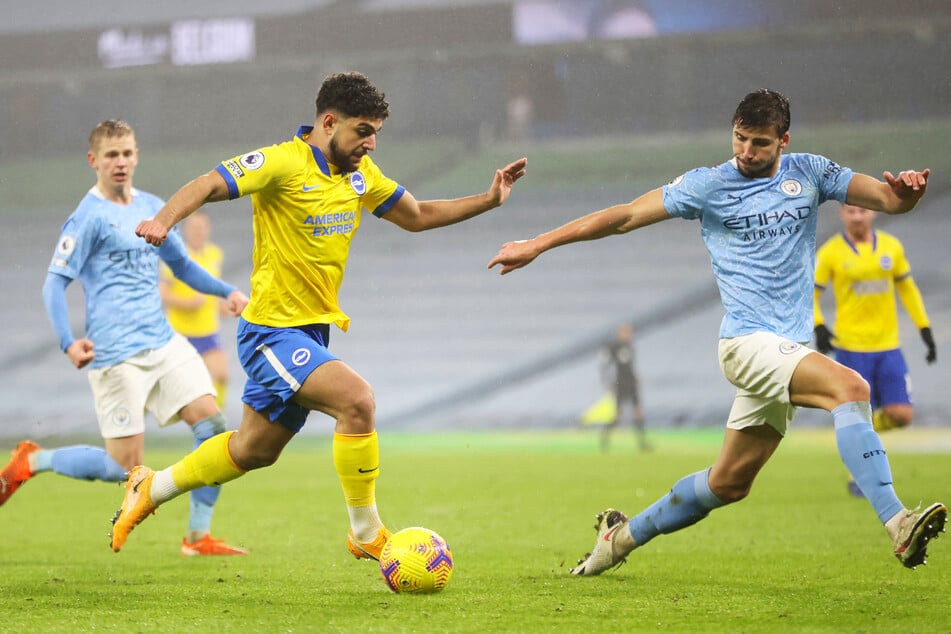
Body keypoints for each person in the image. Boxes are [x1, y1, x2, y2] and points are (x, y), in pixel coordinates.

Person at [488, 89, 945, 573]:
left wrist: (907, 194)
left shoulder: (811, 172)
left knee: (729, 484)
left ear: (784, 140)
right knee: (851, 387)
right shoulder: (708, 185)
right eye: (740, 138)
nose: (746, 151)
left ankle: (616, 541)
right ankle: (898, 523)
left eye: (760, 143)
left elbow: (889, 200)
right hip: (746, 343)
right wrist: (537, 243)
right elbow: (623, 217)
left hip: (785, 349)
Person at [108, 72, 527, 562]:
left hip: (310, 331)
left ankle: (150, 488)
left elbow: (416, 215)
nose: (370, 144)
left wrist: (489, 199)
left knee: (253, 451)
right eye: (362, 131)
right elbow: (206, 183)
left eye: (375, 134)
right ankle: (366, 532)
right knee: (357, 402)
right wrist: (164, 221)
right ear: (328, 122)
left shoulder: (360, 173)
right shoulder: (281, 162)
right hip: (270, 331)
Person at [0, 119, 250, 556]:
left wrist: (225, 290)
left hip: (164, 342)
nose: (120, 162)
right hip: (116, 354)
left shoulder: (153, 207)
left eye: (127, 153)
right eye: (111, 155)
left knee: (213, 427)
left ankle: (197, 536)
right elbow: (53, 284)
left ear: (137, 156)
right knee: (124, 466)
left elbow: (184, 268)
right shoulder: (87, 218)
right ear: (93, 160)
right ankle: (32, 461)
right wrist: (67, 341)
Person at [814, 203, 937, 497]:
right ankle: (857, 476)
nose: (857, 216)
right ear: (842, 214)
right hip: (851, 348)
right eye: (851, 211)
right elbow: (810, 293)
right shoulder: (831, 252)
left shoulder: (891, 248)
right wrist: (818, 326)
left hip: (888, 346)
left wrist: (924, 328)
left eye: (862, 211)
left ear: (873, 213)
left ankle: (867, 440)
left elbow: (907, 289)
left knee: (901, 415)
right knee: (857, 417)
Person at [159, 211, 231, 410]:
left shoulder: (215, 254)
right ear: (186, 231)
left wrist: (224, 307)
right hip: (180, 333)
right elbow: (162, 293)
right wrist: (187, 303)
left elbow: (213, 290)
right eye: (194, 228)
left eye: (202, 228)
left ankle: (217, 418)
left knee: (222, 374)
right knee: (167, 384)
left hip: (207, 331)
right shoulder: (177, 257)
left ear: (208, 230)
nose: (198, 232)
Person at [598, 323, 650, 452]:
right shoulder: (613, 347)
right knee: (618, 415)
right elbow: (604, 365)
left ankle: (642, 443)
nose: (627, 335)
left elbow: (630, 366)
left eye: (629, 333)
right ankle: (604, 439)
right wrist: (608, 382)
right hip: (620, 383)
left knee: (638, 412)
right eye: (625, 332)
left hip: (631, 383)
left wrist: (636, 377)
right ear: (619, 333)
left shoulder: (630, 347)